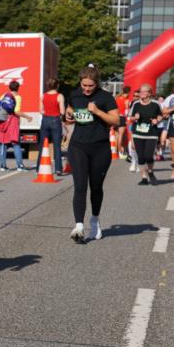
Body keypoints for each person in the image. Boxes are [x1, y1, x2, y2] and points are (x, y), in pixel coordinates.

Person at [62, 65, 119, 243]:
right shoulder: (75, 94)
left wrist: (98, 112)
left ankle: (94, 220)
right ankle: (79, 226)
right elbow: (70, 109)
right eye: (84, 85)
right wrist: (69, 115)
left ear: (97, 83)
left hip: (100, 148)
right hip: (78, 146)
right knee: (80, 186)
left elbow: (116, 120)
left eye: (90, 86)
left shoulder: (105, 97)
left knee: (96, 187)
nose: (86, 89)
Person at [0, 80, 31, 171]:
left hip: (3, 120)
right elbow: (16, 111)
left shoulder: (4, 95)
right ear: (18, 88)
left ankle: (2, 166)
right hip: (13, 121)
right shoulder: (18, 97)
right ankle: (20, 166)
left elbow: (0, 107)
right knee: (15, 143)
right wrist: (27, 117)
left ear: (9, 87)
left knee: (3, 142)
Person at [128, 84, 161, 185]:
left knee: (148, 156)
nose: (141, 93)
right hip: (138, 134)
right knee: (141, 157)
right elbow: (130, 117)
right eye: (140, 91)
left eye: (144, 91)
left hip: (151, 133)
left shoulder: (155, 104)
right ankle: (144, 178)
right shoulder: (136, 104)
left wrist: (157, 120)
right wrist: (135, 117)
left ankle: (150, 172)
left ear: (150, 93)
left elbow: (160, 115)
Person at [37, 78, 65, 175]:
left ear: (48, 86)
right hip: (55, 120)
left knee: (43, 145)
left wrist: (47, 112)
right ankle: (58, 169)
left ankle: (39, 168)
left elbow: (41, 110)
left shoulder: (43, 96)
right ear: (57, 85)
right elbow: (62, 112)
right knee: (57, 146)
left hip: (45, 120)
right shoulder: (59, 96)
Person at [115, 85, 132, 159]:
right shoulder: (126, 100)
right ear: (128, 92)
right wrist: (127, 107)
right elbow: (127, 112)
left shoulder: (117, 98)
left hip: (116, 117)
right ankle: (120, 152)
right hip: (122, 117)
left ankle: (116, 152)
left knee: (117, 135)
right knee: (121, 135)